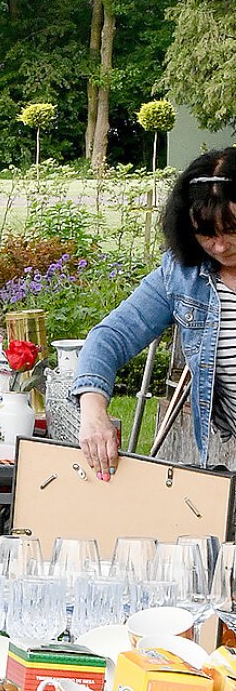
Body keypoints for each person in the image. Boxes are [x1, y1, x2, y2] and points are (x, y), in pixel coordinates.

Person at [75, 148, 236, 478]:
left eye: (232, 230)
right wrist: (92, 410)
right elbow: (110, 337)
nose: (220, 246)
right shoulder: (181, 276)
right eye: (206, 233)